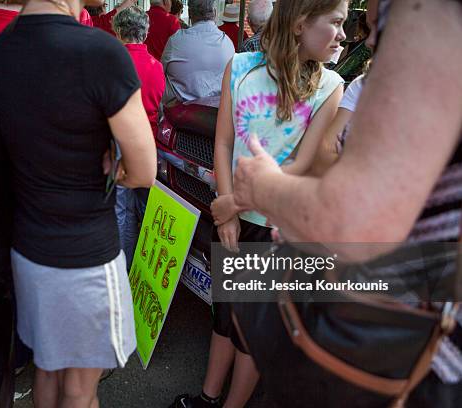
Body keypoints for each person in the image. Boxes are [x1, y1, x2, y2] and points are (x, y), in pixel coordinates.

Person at [229, 0, 462, 406]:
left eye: (376, 28)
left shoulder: (339, 81)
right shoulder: (243, 66)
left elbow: (352, 215)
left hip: (396, 351)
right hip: (398, 327)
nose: (365, 40)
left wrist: (260, 188)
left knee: (256, 323)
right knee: (235, 313)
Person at [174, 1, 346, 408]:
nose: (343, 34)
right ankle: (208, 397)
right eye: (336, 22)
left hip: (274, 226)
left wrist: (232, 202)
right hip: (233, 216)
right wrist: (227, 207)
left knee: (253, 332)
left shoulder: (331, 86)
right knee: (225, 313)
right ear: (301, 23)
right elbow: (224, 141)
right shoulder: (241, 65)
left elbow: (302, 162)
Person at [0, 0, 157, 407]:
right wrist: (114, 165)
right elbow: (144, 170)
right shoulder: (100, 52)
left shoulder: (4, 46)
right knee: (81, 391)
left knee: (48, 366)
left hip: (28, 246)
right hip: (84, 257)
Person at [112, 6, 164, 266]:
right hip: (149, 146)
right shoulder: (156, 66)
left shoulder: (112, 64)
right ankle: (143, 270)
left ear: (119, 31)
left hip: (118, 145)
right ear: (144, 33)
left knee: (120, 210)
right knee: (144, 210)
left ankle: (123, 267)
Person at [160, 0, 234, 106]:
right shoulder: (227, 43)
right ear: (215, 12)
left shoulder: (176, 41)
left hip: (178, 113)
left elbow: (161, 71)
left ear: (190, 14)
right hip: (216, 113)